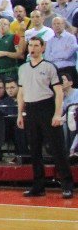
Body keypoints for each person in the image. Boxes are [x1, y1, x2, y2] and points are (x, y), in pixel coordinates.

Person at [16, 37, 74, 199]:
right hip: (31, 109)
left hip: (46, 107)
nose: (32, 48)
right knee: (34, 149)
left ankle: (67, 185)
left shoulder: (49, 67)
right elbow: (21, 93)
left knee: (57, 148)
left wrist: (57, 113)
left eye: (36, 45)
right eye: (30, 45)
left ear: (42, 48)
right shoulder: (23, 68)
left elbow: (59, 92)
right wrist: (20, 113)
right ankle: (38, 185)